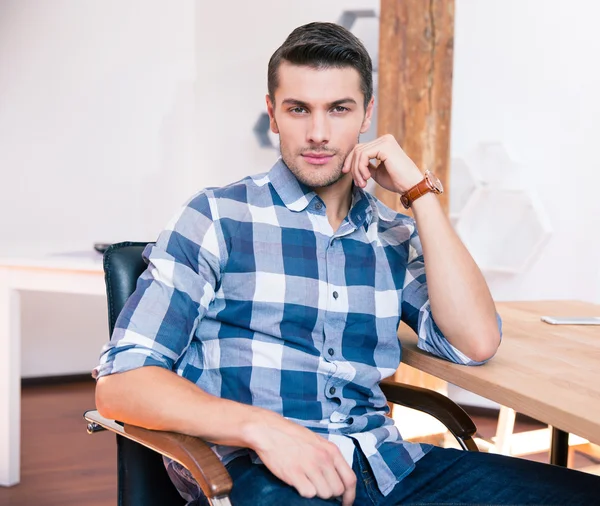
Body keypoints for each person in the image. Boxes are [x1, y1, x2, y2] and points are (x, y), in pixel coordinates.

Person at [93, 22, 600, 506]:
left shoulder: (391, 234)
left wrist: (419, 193)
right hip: (255, 469)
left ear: (366, 115)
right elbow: (123, 381)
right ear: (272, 114)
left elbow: (476, 341)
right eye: (298, 110)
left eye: (338, 109)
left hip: (385, 467)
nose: (318, 132)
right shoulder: (216, 217)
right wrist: (261, 428)